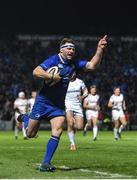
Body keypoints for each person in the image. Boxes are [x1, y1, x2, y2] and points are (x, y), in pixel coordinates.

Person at [17, 35, 107, 172]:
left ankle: (45, 163)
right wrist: (52, 76)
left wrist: (100, 49)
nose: (71, 51)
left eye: (73, 49)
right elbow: (36, 71)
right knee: (30, 134)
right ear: (62, 50)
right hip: (43, 102)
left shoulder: (73, 63)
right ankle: (25, 118)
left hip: (58, 105)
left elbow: (92, 65)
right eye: (69, 48)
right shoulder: (53, 59)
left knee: (58, 130)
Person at [65, 72, 88, 151]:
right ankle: (72, 143)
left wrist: (82, 97)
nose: (71, 74)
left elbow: (86, 92)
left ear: (75, 73)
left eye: (73, 72)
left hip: (77, 106)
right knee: (70, 122)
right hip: (68, 104)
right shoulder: (64, 81)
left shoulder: (80, 82)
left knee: (80, 127)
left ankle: (72, 128)